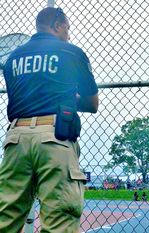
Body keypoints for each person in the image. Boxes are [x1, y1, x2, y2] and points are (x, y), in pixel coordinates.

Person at [0, 7, 99, 233]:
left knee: (6, 217)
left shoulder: (13, 57)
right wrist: (68, 97)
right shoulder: (71, 52)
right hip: (54, 137)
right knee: (59, 218)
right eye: (67, 28)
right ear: (57, 25)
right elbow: (92, 103)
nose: (68, 34)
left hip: (16, 139)